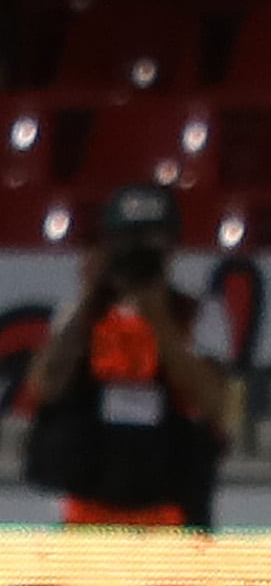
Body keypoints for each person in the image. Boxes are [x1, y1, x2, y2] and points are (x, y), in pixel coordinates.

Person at [14, 185, 230, 529]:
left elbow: (214, 402)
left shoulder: (198, 314)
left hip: (171, 505)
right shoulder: (82, 314)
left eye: (150, 240)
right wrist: (88, 297)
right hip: (89, 503)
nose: (138, 251)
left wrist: (159, 319)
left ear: (172, 246)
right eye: (126, 240)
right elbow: (44, 386)